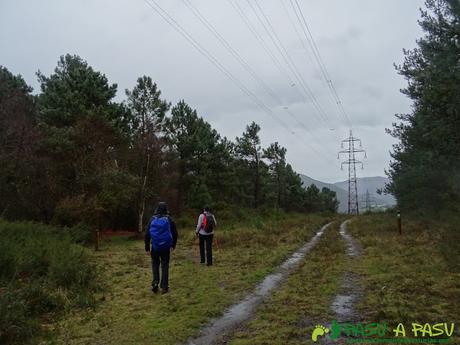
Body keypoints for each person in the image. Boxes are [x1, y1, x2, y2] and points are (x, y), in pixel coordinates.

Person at [145, 202, 178, 294]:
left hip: (155, 247)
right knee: (165, 266)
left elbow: (147, 234)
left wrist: (147, 248)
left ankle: (155, 283)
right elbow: (175, 233)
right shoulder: (169, 219)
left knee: (155, 265)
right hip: (166, 247)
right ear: (166, 209)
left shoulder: (152, 219)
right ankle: (164, 287)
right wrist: (173, 245)